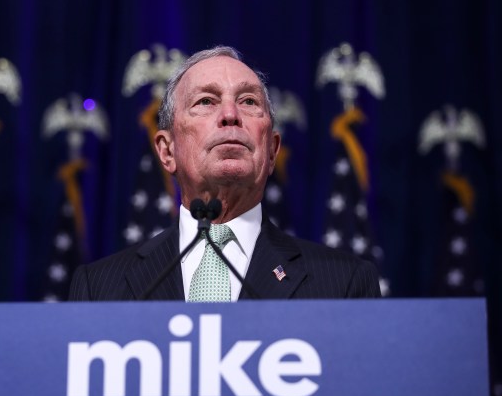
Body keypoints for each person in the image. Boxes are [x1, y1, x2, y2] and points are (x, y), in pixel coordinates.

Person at [69, 46, 381, 301]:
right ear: (167, 151)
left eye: (248, 101)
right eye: (206, 101)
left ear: (272, 151)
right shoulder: (99, 290)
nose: (230, 115)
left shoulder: (344, 285)